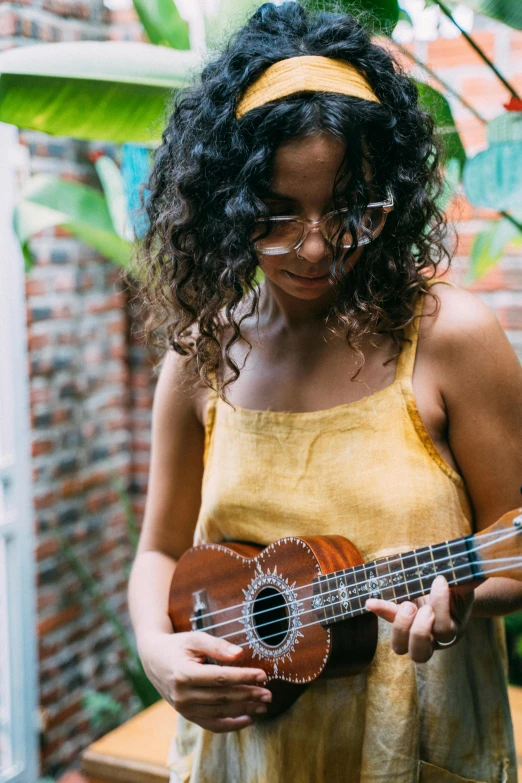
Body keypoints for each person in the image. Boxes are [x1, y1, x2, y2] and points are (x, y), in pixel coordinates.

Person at [127, 3, 522, 781]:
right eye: (275, 215)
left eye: (349, 211)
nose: (313, 245)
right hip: (245, 753)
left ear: (393, 197)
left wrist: (464, 600)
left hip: (413, 747)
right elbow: (159, 551)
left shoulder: (450, 339)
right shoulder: (202, 356)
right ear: (226, 207)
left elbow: (512, 536)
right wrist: (157, 652)